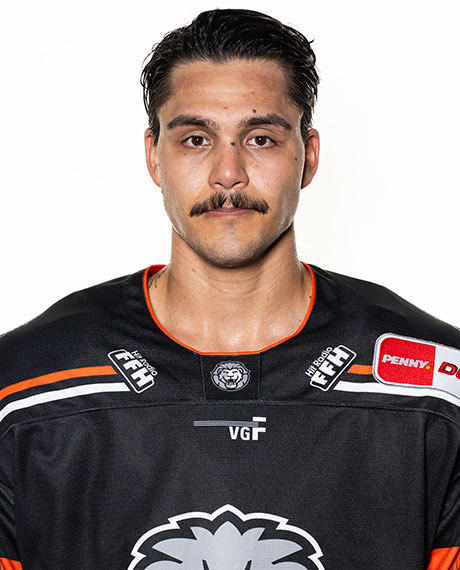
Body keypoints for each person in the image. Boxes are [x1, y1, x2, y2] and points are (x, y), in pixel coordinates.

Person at [0, 8, 459, 569]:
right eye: (196, 139)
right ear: (154, 157)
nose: (228, 172)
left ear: (309, 156)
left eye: (260, 138)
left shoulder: (438, 390)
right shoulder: (23, 387)